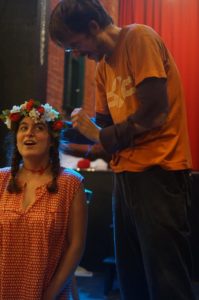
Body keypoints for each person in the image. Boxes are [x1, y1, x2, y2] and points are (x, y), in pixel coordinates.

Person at [49, 1, 196, 300]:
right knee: (132, 280)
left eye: (75, 45)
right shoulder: (103, 68)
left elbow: (154, 113)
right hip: (126, 176)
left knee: (166, 280)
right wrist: (54, 127)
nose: (76, 54)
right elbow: (104, 132)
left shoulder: (138, 38)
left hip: (159, 173)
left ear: (93, 27)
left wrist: (99, 133)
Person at [0, 99, 88, 299]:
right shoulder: (1, 179)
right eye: (23, 127)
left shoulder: (70, 184)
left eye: (38, 127)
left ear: (51, 140)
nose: (29, 133)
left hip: (46, 291)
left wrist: (50, 294)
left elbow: (76, 246)